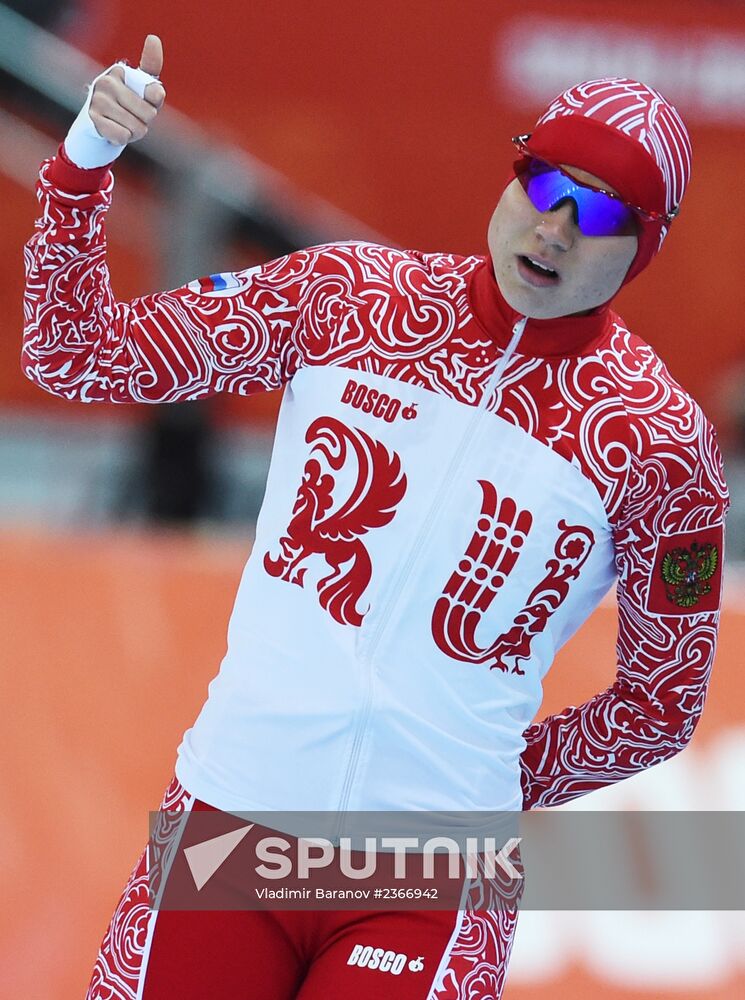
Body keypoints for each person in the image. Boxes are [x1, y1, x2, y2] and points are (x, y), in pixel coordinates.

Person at [22, 34, 729, 1000]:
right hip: (233, 825)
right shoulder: (349, 298)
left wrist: (477, 782)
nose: (556, 226)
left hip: (430, 871)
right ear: (511, 173)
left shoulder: (658, 445)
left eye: (600, 210)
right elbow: (76, 357)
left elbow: (656, 710)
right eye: (542, 182)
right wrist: (84, 166)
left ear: (644, 245)